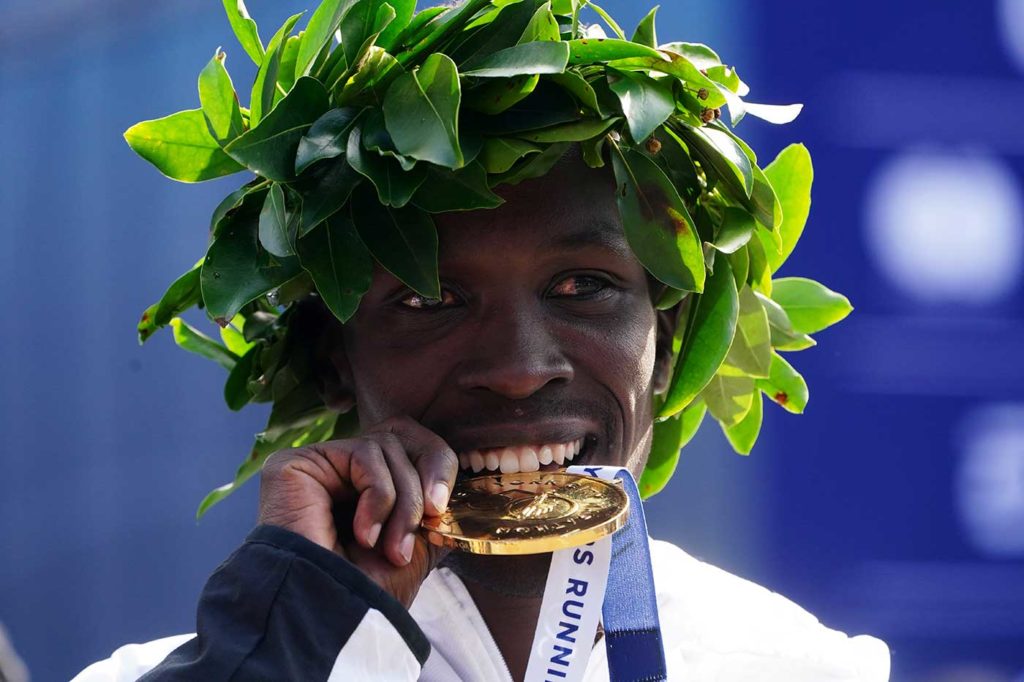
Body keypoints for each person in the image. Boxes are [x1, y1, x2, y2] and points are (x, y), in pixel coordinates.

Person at [78, 0, 891, 678]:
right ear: (334, 361)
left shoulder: (799, 665)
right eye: (431, 297)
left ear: (669, 337)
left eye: (582, 287)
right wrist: (292, 624)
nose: (518, 371)